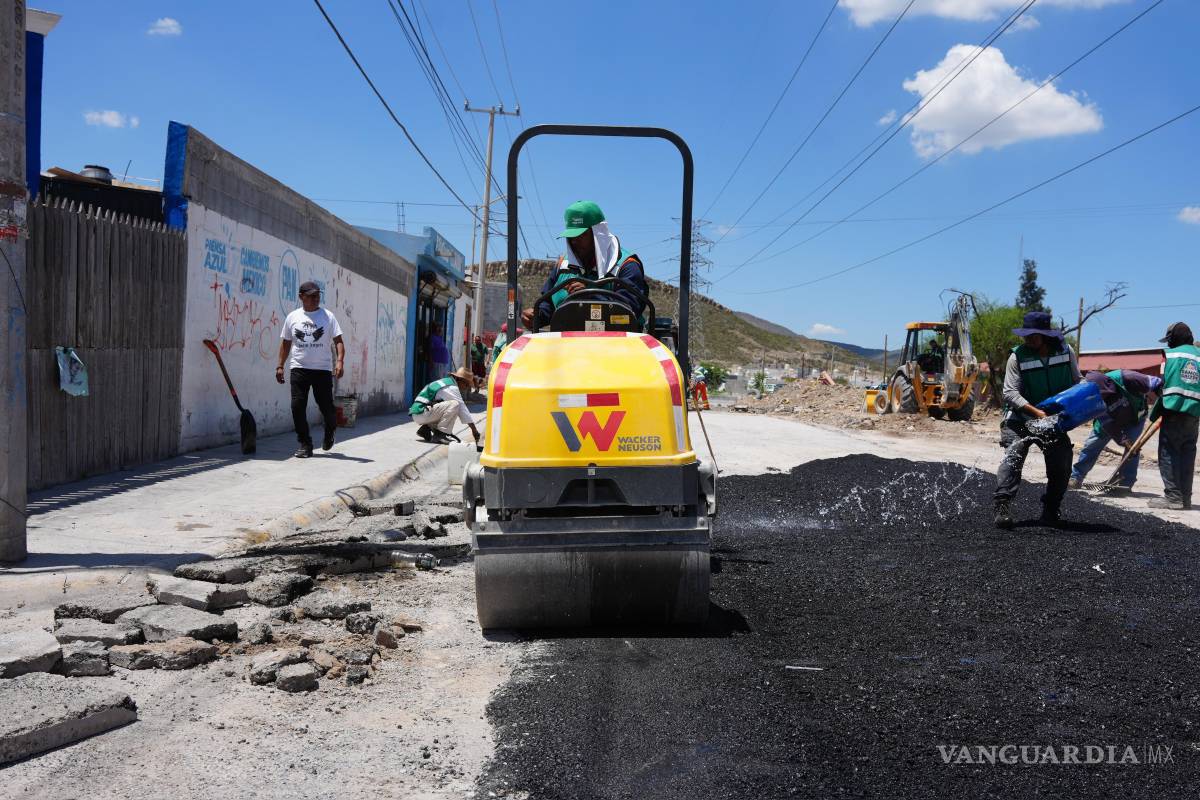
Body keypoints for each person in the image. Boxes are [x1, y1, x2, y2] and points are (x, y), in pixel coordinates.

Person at [993, 311, 1081, 529]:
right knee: (1013, 457)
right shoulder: (1017, 356)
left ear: (1045, 335)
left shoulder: (1065, 351)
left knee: (1061, 463)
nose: (1028, 339)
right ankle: (1003, 505)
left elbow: (1077, 381)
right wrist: (1036, 412)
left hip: (1051, 420)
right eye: (1026, 335)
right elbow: (1010, 393)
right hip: (1020, 419)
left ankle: (1051, 510)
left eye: (1033, 335)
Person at [521, 201, 649, 330]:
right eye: (571, 237)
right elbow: (548, 303)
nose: (574, 241)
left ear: (599, 234)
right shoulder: (563, 265)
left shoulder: (627, 265)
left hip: (618, 344)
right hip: (568, 343)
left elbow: (629, 311)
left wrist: (590, 295)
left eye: (581, 235)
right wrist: (537, 316)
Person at [276, 281, 345, 458]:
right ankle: (305, 444)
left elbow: (338, 341)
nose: (316, 299)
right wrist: (280, 366)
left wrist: (339, 362)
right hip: (299, 368)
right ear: (301, 297)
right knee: (297, 406)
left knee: (326, 408)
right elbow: (286, 342)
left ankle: (330, 429)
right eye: (311, 296)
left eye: (317, 296)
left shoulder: (328, 316)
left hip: (322, 370)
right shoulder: (292, 317)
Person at [1069, 369, 1162, 493]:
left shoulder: (1127, 377)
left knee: (1132, 450)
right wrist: (1123, 440)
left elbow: (1157, 383)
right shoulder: (1091, 399)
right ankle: (1076, 477)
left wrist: (1164, 399)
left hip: (1135, 417)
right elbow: (1108, 424)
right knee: (1092, 445)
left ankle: (1125, 484)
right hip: (1110, 420)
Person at [1148, 321, 1200, 510]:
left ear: (1173, 339)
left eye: (1169, 340)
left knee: (1169, 452)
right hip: (1194, 413)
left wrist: (1157, 410)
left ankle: (1173, 498)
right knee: (1187, 452)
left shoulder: (1171, 355)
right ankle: (1185, 498)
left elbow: (1165, 385)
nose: (1168, 344)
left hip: (1174, 411)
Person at [410, 366, 481, 446]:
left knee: (447, 407)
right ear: (459, 380)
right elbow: (462, 409)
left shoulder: (446, 383)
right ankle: (440, 435)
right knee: (455, 405)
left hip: (420, 412)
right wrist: (474, 430)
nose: (467, 388)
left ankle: (426, 429)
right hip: (422, 412)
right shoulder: (451, 387)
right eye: (467, 384)